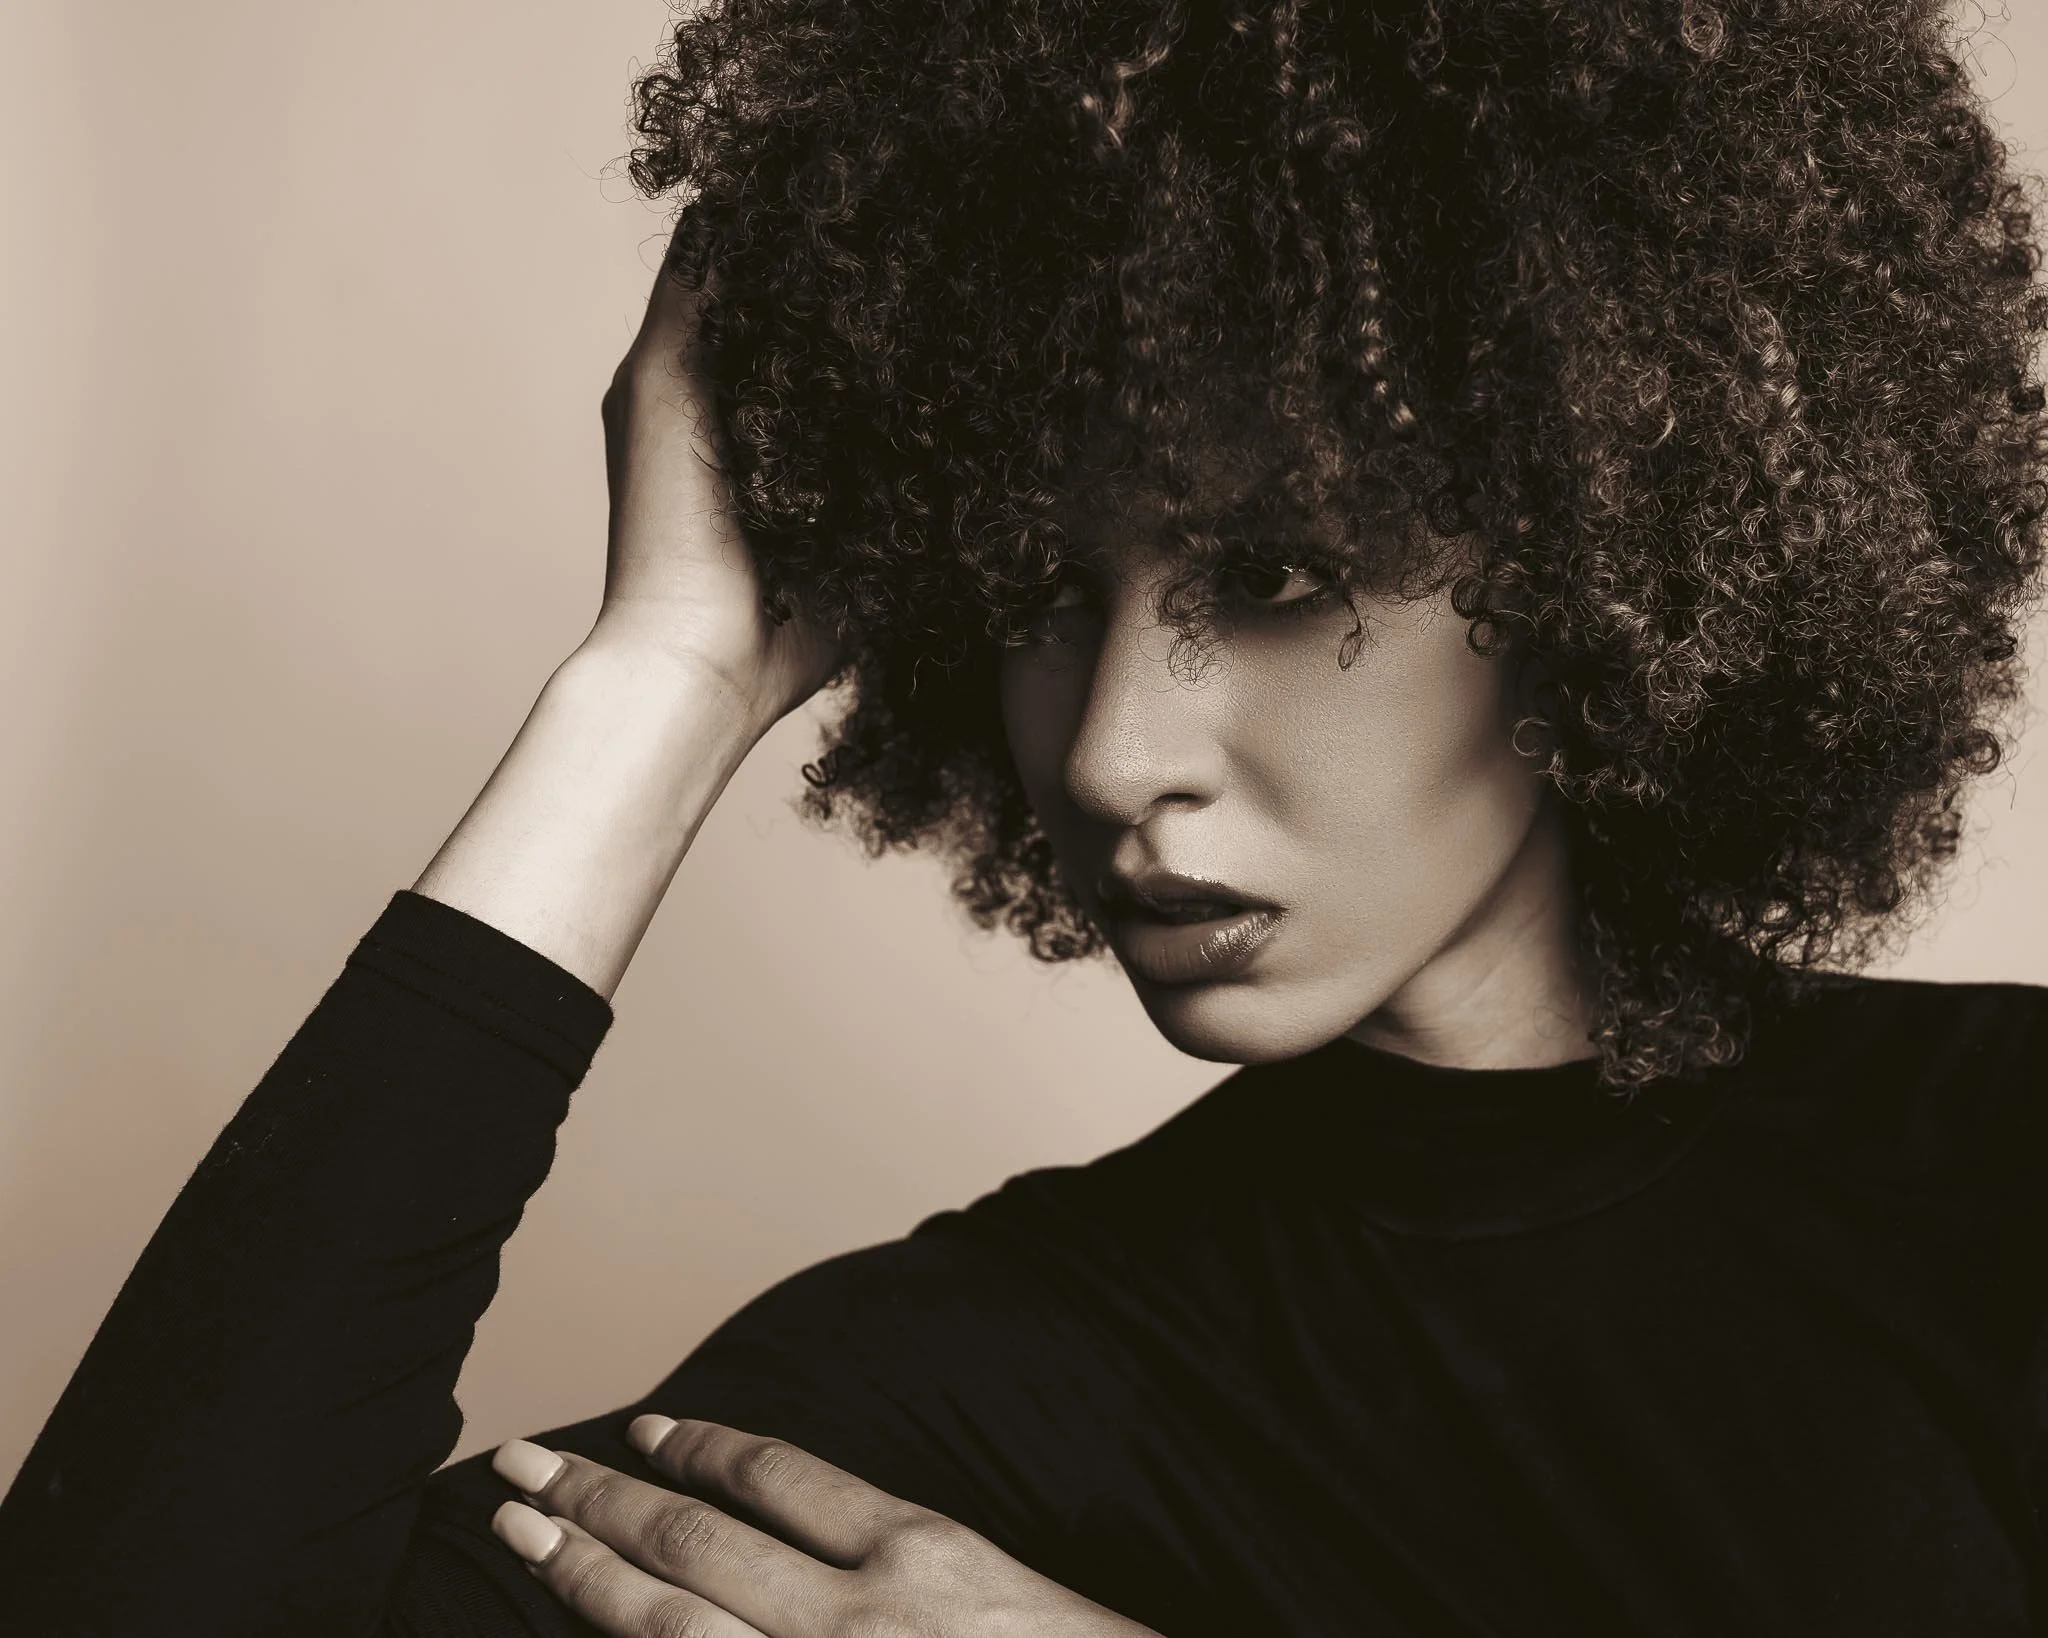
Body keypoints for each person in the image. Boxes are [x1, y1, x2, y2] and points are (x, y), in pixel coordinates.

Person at [4, 0, 2047, 1633]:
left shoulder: (1998, 1168)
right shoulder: (965, 1392)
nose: (1109, 753)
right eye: (1036, 595)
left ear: (1613, 556)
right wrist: (662, 679)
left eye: (1273, 575)